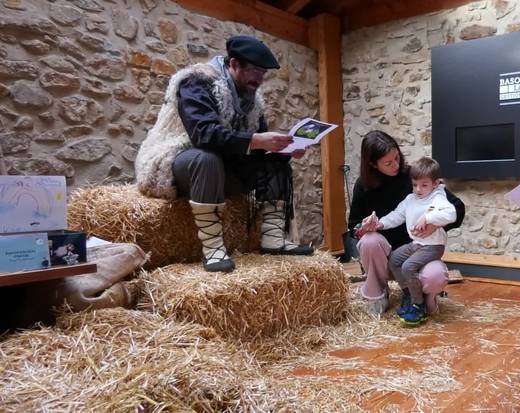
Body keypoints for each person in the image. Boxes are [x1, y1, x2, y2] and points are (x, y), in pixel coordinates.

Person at [135, 35, 313, 273]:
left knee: (274, 164)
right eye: (253, 71)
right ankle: (213, 249)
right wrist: (257, 140)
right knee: (206, 158)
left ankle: (273, 239)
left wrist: (283, 151)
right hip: (175, 160)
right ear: (233, 64)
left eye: (262, 73)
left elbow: (255, 148)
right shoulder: (196, 82)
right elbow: (203, 134)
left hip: (224, 167)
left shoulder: (253, 101)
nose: (259, 79)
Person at [348, 130, 465, 316]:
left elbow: (457, 208)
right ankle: (379, 294)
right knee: (370, 240)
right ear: (373, 164)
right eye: (388, 162)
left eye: (397, 157)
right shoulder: (364, 186)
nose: (395, 165)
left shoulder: (416, 177)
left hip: (419, 249)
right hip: (384, 258)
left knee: (435, 275)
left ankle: (422, 298)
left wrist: (433, 223)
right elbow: (355, 225)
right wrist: (366, 228)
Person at [361, 157, 456, 325]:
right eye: (415, 184)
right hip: (417, 244)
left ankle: (418, 305)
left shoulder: (437, 198)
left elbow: (451, 214)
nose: (418, 189)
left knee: (408, 266)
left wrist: (428, 218)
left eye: (424, 185)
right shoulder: (410, 199)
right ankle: (409, 293)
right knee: (395, 260)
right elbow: (397, 215)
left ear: (435, 183)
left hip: (432, 247)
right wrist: (380, 223)